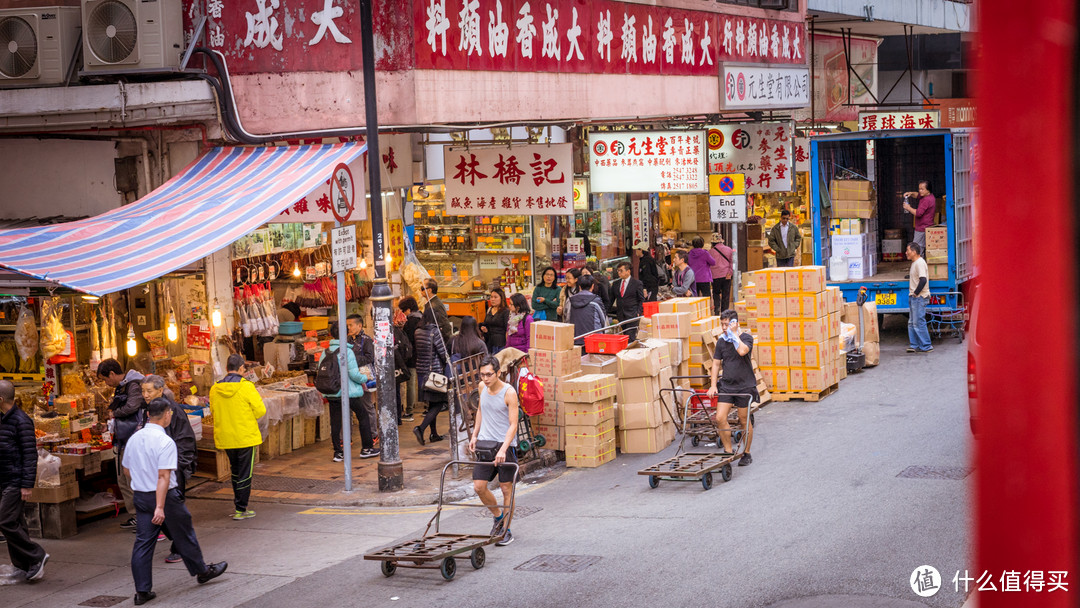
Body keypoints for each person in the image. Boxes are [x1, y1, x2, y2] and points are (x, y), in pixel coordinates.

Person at [123, 397, 227, 605]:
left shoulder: (134, 438)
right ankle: (202, 571)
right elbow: (164, 477)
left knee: (143, 543)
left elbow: (126, 469)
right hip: (165, 498)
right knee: (184, 533)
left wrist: (141, 482)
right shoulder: (165, 441)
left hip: (141, 495)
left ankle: (142, 591)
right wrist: (160, 507)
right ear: (167, 414)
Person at [139, 376, 196, 565]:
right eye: (143, 391)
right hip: (156, 471)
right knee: (163, 511)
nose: (145, 395)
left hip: (171, 470)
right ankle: (185, 550)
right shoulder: (147, 410)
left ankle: (182, 550)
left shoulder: (174, 412)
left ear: (161, 390)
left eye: (149, 391)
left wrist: (178, 467)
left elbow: (186, 442)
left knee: (174, 512)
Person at [468, 356, 520, 547]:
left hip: (505, 446)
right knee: (479, 487)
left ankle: (506, 530)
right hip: (486, 445)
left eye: (489, 374)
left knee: (506, 488)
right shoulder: (482, 388)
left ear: (498, 373)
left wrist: (504, 449)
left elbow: (513, 424)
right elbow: (480, 411)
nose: (486, 378)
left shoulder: (509, 392)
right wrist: (474, 435)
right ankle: (498, 517)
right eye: (482, 375)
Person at [0, 380, 48, 581]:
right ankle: (24, 565)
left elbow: (30, 455)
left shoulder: (22, 421)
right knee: (16, 522)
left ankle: (37, 555)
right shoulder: (3, 419)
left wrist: (27, 485)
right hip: (3, 479)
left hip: (15, 479)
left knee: (5, 521)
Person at [208, 354, 265, 520]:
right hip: (245, 436)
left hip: (226, 437)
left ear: (227, 369)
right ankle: (241, 508)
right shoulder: (246, 387)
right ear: (241, 369)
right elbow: (260, 410)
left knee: (235, 471)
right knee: (245, 473)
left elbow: (213, 410)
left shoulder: (214, 388)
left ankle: (239, 505)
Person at [97, 358, 145, 530]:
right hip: (123, 438)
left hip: (133, 439)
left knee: (131, 479)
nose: (106, 383)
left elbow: (132, 406)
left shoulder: (133, 384)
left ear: (112, 374)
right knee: (123, 480)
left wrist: (114, 414)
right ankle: (136, 516)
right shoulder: (122, 387)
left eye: (105, 379)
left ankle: (143, 518)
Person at [706, 310, 757, 466]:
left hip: (745, 385)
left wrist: (734, 334)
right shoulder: (722, 341)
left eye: (726, 324)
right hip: (727, 385)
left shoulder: (746, 338)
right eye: (722, 324)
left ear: (735, 323)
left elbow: (742, 351)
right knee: (720, 418)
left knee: (743, 420)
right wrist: (713, 385)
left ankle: (746, 453)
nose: (723, 328)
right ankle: (728, 451)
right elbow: (716, 363)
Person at [323, 323, 376, 460]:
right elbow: (353, 374)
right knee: (363, 415)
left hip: (332, 391)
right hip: (348, 392)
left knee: (335, 421)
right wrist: (365, 377)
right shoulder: (347, 352)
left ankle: (338, 452)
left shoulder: (326, 351)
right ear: (345, 333)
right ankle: (367, 448)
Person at [413, 307, 450, 445]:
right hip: (435, 372)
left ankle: (433, 434)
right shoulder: (435, 332)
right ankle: (421, 428)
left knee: (432, 403)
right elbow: (442, 352)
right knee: (439, 403)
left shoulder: (417, 331)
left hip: (422, 372)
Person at [345, 314, 377, 448]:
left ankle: (373, 434)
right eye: (347, 325)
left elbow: (370, 358)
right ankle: (346, 438)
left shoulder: (366, 340)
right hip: (348, 377)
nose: (349, 328)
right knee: (347, 408)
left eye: (351, 325)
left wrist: (352, 361)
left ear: (359, 325)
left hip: (362, 377)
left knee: (367, 406)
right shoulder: (346, 339)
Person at [398, 297, 422, 423]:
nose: (404, 314)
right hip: (422, 355)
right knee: (421, 380)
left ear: (408, 309)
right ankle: (427, 406)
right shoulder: (422, 317)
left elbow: (407, 341)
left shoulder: (411, 321)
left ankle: (409, 411)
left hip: (412, 356)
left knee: (410, 383)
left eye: (404, 311)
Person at [906, 242, 933, 353]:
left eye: (908, 250)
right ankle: (914, 345)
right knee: (912, 323)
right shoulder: (914, 263)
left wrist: (916, 293)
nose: (906, 253)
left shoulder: (920, 263)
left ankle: (926, 346)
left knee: (918, 322)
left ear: (914, 252)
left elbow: (923, 280)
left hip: (919, 297)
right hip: (914, 297)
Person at [610, 261, 645, 342]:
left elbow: (641, 299)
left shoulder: (637, 283)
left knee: (631, 337)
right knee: (625, 335)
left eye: (621, 270)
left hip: (633, 314)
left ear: (628, 271)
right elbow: (611, 299)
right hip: (621, 315)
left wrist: (639, 311)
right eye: (618, 270)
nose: (619, 272)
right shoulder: (616, 284)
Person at [567, 274, 607, 346]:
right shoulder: (596, 300)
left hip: (576, 338)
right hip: (594, 338)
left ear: (579, 287)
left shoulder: (571, 300)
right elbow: (603, 320)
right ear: (592, 286)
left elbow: (567, 318)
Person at [903, 180, 937, 249]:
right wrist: (911, 193)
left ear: (928, 190)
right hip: (927, 226)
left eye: (922, 189)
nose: (920, 191)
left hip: (922, 228)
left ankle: (919, 260)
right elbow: (917, 195)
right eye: (919, 189)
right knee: (922, 248)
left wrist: (908, 208)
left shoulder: (926, 200)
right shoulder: (928, 196)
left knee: (917, 249)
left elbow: (918, 213)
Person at [421, 279, 453, 344]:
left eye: (422, 288)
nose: (420, 291)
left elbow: (444, 325)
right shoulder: (432, 303)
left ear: (429, 290)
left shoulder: (434, 306)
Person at [709, 233, 735, 314]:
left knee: (716, 293)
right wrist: (730, 272)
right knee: (726, 294)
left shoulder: (710, 252)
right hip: (726, 275)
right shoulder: (728, 249)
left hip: (715, 276)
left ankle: (717, 308)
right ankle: (725, 311)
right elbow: (732, 262)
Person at [481, 288, 510, 354]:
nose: (492, 299)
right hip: (489, 343)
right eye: (491, 297)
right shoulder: (489, 309)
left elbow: (507, 329)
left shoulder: (505, 311)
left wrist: (507, 345)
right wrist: (484, 329)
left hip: (500, 344)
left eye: (495, 297)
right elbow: (486, 323)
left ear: (501, 298)